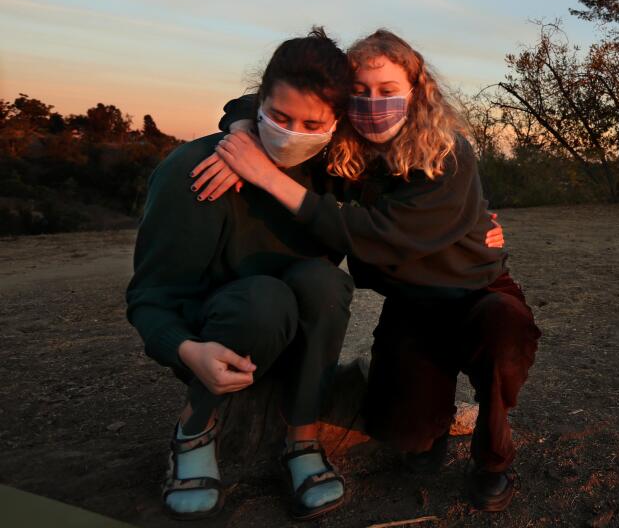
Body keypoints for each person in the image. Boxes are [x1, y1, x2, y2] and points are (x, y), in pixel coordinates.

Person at [197, 29, 540, 512]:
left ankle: (493, 453)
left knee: (503, 338)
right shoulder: (343, 146)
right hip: (412, 304)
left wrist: (266, 176)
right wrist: (242, 132)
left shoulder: (449, 151)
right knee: (404, 432)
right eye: (358, 92)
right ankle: (432, 429)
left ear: (416, 92)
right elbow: (261, 96)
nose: (372, 105)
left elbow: (380, 234)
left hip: (478, 291)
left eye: (387, 92)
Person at [126, 28, 355, 521]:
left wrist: (476, 219)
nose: (292, 132)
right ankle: (194, 427)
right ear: (259, 106)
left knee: (325, 282)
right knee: (264, 299)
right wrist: (188, 350)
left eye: (311, 123)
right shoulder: (193, 168)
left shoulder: (335, 169)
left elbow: (393, 220)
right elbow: (150, 298)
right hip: (218, 330)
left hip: (298, 330)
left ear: (337, 122)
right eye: (277, 117)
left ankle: (302, 436)